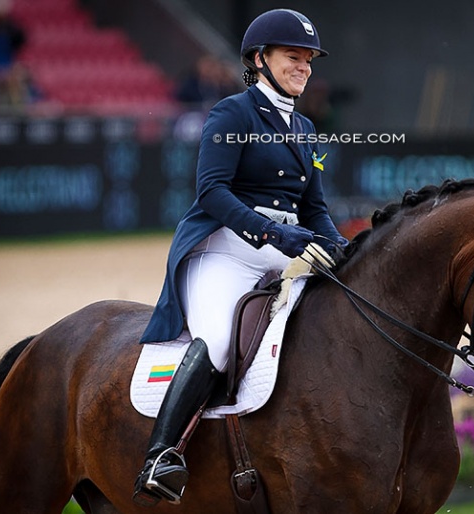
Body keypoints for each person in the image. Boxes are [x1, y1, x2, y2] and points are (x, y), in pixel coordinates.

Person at [133, 8, 348, 507]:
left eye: (309, 60)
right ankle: (161, 455)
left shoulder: (305, 127)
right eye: (294, 57)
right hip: (224, 251)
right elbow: (211, 191)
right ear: (260, 59)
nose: (305, 68)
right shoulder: (232, 114)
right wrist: (275, 234)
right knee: (219, 341)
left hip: (281, 252)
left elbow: (314, 208)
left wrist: (342, 248)